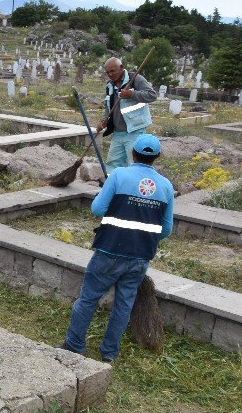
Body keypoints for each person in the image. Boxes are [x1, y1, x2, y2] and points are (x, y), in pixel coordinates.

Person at [61, 134, 174, 363]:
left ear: (133, 153)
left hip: (110, 250)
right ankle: (110, 353)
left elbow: (97, 209)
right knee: (124, 305)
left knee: (88, 299)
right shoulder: (166, 186)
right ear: (157, 157)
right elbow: (166, 229)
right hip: (141, 256)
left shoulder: (119, 175)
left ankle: (74, 346)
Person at [96, 57, 157, 173]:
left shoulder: (135, 79)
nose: (110, 74)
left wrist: (131, 94)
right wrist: (103, 121)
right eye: (107, 72)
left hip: (134, 130)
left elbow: (152, 95)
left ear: (121, 67)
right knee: (113, 162)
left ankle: (132, 188)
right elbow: (108, 106)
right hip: (118, 132)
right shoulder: (110, 85)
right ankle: (114, 186)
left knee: (133, 163)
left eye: (112, 71)